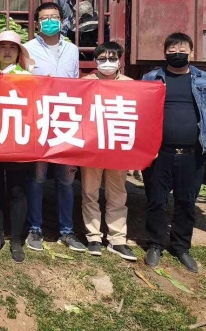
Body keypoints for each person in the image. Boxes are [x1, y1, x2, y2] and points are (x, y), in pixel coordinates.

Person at [142, 32, 206, 273]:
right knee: (156, 201)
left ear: (192, 52)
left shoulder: (204, 79)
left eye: (182, 50)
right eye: (172, 51)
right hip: (159, 153)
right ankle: (155, 244)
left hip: (193, 153)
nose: (177, 54)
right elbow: (141, 113)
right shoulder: (152, 78)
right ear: (164, 53)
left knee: (187, 202)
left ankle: (181, 247)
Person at [24, 2, 86, 253]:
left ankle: (67, 230)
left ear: (62, 21)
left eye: (54, 17)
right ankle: (35, 228)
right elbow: (21, 82)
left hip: (66, 121)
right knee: (37, 177)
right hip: (39, 120)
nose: (50, 21)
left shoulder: (72, 50)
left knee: (66, 179)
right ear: (37, 23)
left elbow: (77, 83)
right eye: (45, 18)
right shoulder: (27, 49)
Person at [0, 30, 36, 263]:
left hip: (17, 140)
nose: (7, 51)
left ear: (18, 53)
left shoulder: (27, 77)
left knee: (17, 190)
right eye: (2, 47)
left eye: (12, 47)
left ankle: (15, 240)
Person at [80, 42, 137, 261]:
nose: (107, 63)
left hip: (118, 147)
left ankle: (117, 239)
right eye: (102, 59)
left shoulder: (131, 85)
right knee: (90, 193)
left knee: (118, 193)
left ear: (120, 61)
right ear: (95, 61)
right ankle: (93, 237)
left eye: (112, 59)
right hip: (92, 147)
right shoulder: (85, 83)